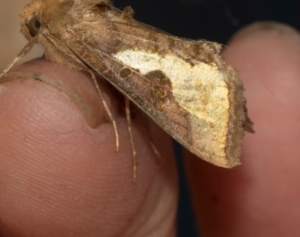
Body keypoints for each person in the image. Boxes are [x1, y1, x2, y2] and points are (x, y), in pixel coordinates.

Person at [0, 22, 298, 236]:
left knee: (138, 82)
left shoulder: (76, 32)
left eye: (37, 27)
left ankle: (218, 104)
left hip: (150, 68)